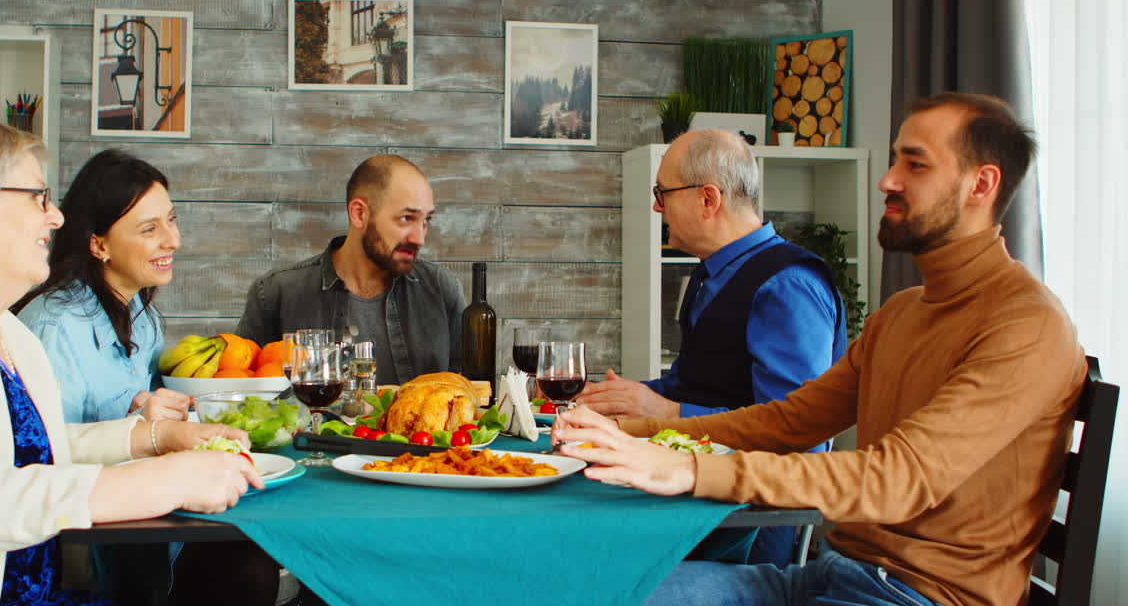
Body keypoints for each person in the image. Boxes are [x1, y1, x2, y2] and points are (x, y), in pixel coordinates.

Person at [554, 93, 1086, 606]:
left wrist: (684, 469)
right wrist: (634, 436)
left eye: (915, 165)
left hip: (917, 596)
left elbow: (900, 478)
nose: (887, 180)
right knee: (585, 592)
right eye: (896, 159)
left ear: (981, 184)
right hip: (827, 574)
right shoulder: (901, 313)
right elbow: (786, 421)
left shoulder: (1027, 325)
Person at [0, 114, 262, 606]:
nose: (57, 217)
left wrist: (156, 437)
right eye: (38, 197)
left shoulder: (7, 332)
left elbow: (32, 451)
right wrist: (165, 479)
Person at [576, 128, 847, 565]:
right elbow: (698, 383)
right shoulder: (712, 273)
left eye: (662, 193)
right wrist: (617, 399)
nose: (655, 206)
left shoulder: (788, 286)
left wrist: (667, 414)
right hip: (693, 494)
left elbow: (798, 434)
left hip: (747, 527)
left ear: (708, 199)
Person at [236, 154, 466, 386]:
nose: (419, 238)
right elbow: (240, 391)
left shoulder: (440, 288)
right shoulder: (276, 293)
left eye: (426, 220)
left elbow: (472, 395)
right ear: (359, 214)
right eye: (406, 218)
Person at [16, 149, 190, 424]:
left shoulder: (145, 317)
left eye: (171, 220)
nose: (173, 241)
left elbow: (152, 413)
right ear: (99, 245)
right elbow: (44, 453)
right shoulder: (55, 329)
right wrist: (133, 426)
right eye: (149, 229)